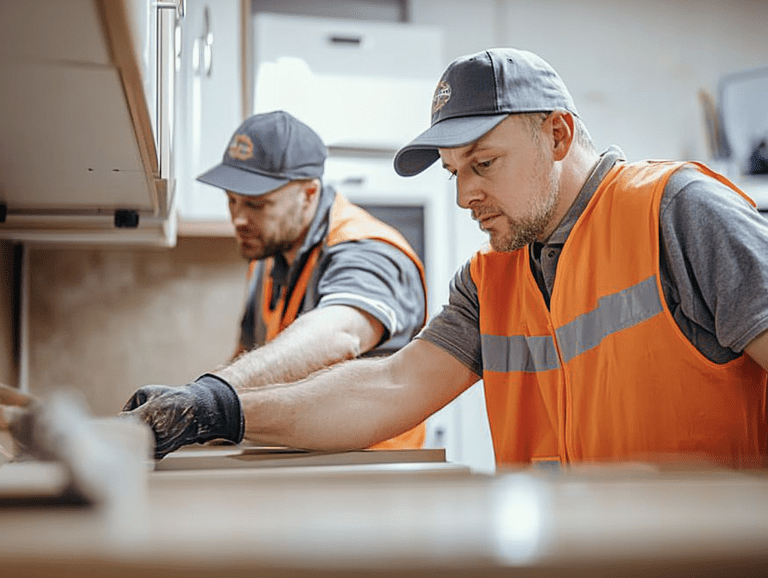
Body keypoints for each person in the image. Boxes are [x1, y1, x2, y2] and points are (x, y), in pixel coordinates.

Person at [123, 49, 768, 468]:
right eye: (455, 172)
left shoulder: (676, 212)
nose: (464, 195)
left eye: (483, 164)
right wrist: (216, 411)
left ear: (558, 133)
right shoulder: (492, 280)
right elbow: (388, 386)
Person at [121, 110, 428, 458]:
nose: (238, 218)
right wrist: (194, 417)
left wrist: (206, 399)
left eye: (256, 204)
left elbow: (339, 334)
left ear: (309, 194)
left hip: (374, 472)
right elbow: (248, 358)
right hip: (309, 460)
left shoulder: (368, 249)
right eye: (231, 200)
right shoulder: (268, 259)